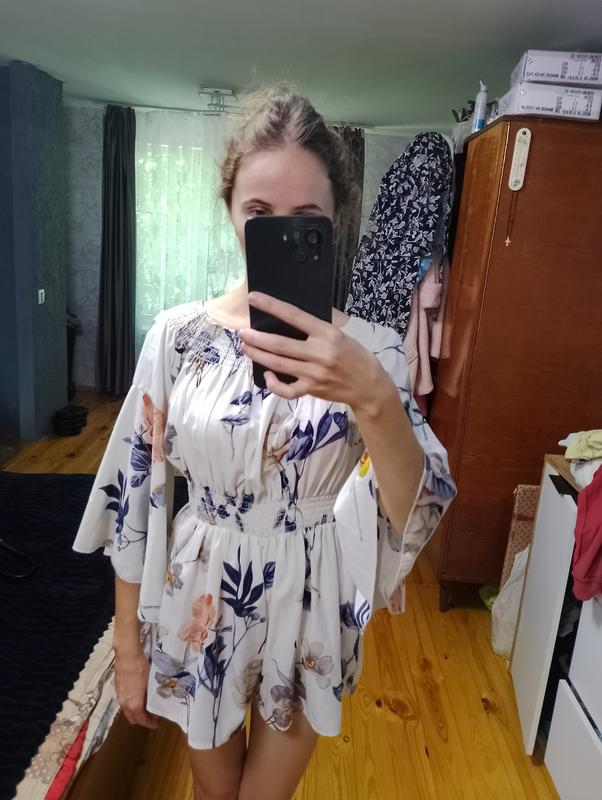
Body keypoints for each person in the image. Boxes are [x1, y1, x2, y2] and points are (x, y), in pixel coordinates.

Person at [73, 86, 456, 800]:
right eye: (259, 213)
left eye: (306, 220)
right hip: (200, 595)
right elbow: (133, 493)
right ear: (229, 212)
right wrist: (127, 645)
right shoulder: (178, 336)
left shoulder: (372, 350)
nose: (281, 233)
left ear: (334, 221)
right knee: (214, 793)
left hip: (312, 600)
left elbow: (414, 511)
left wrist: (372, 394)